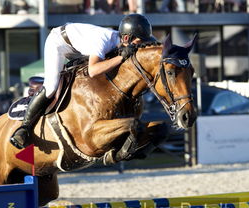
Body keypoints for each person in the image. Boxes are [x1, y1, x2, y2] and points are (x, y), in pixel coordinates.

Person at [10, 14, 156, 149]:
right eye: (138, 42)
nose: (139, 46)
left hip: (78, 47)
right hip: (59, 43)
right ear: (126, 39)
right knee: (51, 87)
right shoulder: (103, 40)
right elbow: (93, 70)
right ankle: (24, 128)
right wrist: (120, 58)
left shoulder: (119, 44)